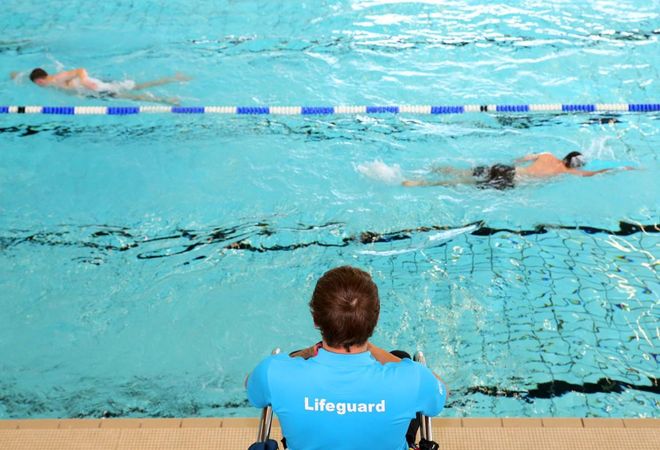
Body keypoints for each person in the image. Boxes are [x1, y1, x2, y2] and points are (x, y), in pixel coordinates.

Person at [246, 266, 447, 450]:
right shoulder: (412, 379)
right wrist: (369, 347)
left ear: (316, 320)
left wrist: (309, 352)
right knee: (401, 357)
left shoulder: (274, 373)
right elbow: (441, 394)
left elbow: (252, 387)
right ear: (374, 321)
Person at [402, 151, 631, 190]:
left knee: (463, 173)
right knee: (462, 185)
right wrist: (617, 168)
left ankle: (436, 168)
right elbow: (589, 175)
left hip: (507, 168)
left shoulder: (548, 154)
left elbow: (521, 158)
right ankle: (420, 184)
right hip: (509, 181)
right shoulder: (564, 172)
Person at [24, 67, 189, 105]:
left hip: (98, 89)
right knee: (137, 87)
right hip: (97, 88)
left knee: (135, 97)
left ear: (39, 81)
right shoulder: (53, 80)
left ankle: (167, 101)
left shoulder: (56, 79)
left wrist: (86, 80)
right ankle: (173, 79)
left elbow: (80, 70)